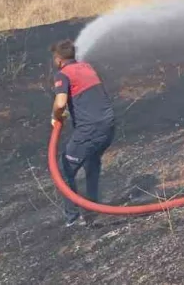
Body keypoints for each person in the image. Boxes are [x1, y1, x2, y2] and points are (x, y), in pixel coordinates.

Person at [50, 39, 115, 227]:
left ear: (58, 59)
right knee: (91, 163)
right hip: (108, 126)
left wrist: (56, 116)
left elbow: (61, 103)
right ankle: (93, 207)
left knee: (64, 172)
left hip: (90, 130)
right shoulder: (87, 67)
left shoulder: (63, 74)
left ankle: (73, 219)